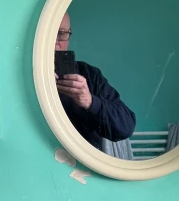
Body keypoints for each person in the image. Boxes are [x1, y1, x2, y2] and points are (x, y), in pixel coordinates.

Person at [55, 12, 136, 150]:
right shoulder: (22, 74)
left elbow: (126, 127)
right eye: (49, 33)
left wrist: (89, 101)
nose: (54, 41)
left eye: (61, 33)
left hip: (83, 167)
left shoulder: (90, 75)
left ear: (68, 36)